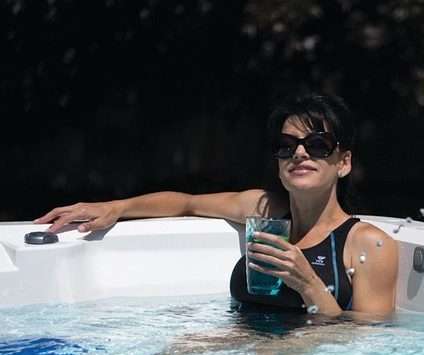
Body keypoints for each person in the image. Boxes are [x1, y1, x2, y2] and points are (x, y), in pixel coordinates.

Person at [34, 93, 398, 317]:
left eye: (317, 145)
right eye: (286, 145)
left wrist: (310, 286)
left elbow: (364, 350)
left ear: (344, 162)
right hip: (239, 354)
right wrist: (116, 207)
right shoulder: (264, 210)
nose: (300, 152)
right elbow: (186, 204)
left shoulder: (368, 244)